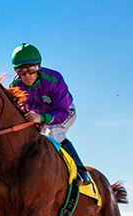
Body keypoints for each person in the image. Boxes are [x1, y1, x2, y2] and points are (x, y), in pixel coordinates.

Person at [10, 43, 91, 185]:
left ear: (38, 67)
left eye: (32, 70)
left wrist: (41, 118)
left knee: (55, 132)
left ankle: (81, 172)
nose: (27, 75)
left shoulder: (54, 78)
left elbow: (62, 111)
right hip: (38, 115)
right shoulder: (15, 86)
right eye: (22, 72)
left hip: (64, 111)